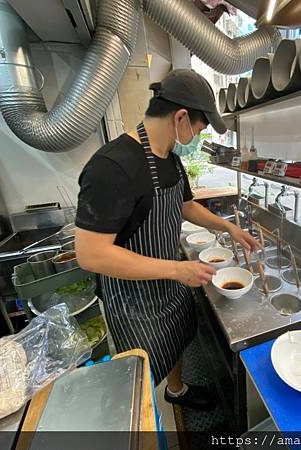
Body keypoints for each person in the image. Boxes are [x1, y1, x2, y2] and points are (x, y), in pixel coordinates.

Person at [75, 69, 260, 411]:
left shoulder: (171, 160)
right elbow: (90, 254)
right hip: (134, 299)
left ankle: (177, 390)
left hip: (169, 280)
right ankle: (147, 414)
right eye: (202, 127)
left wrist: (228, 227)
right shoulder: (112, 167)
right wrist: (176, 270)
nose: (199, 135)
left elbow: (185, 206)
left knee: (178, 337)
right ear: (180, 117)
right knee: (143, 371)